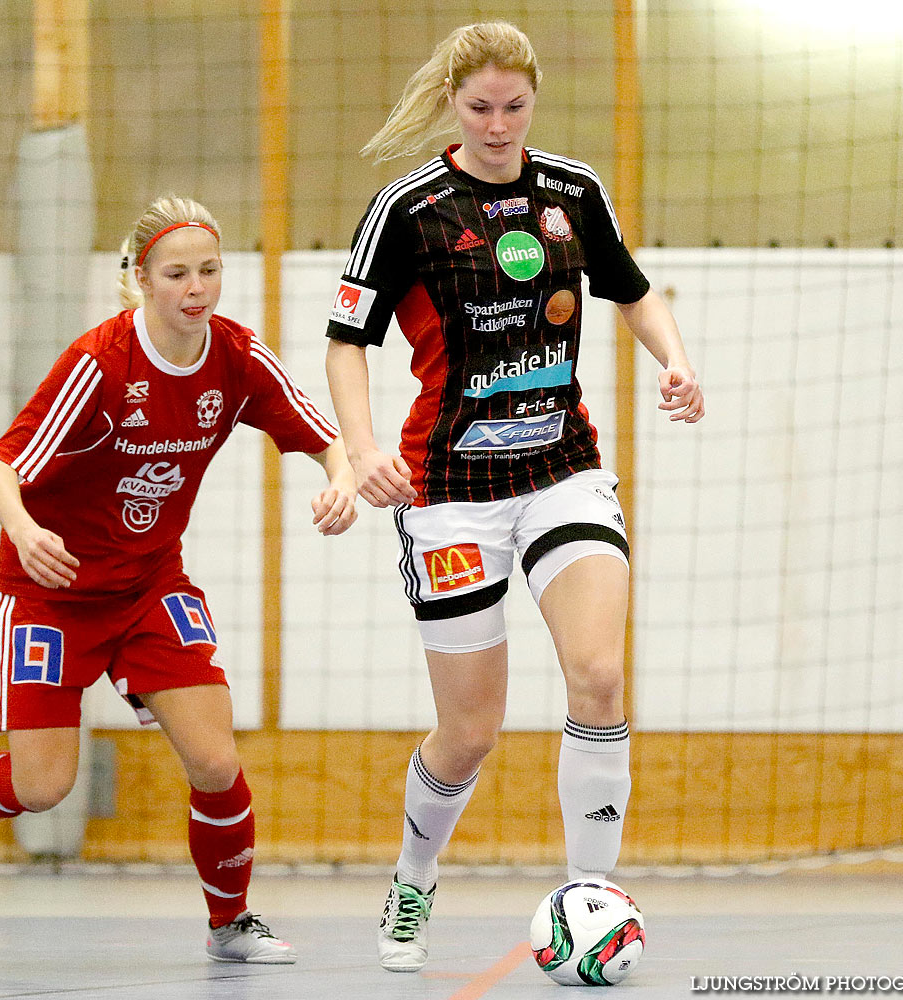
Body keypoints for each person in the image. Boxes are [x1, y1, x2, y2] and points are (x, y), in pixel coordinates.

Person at [324, 21, 704, 973]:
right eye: (479, 108)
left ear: (534, 99)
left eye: (514, 106)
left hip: (559, 471)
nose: (498, 125)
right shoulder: (409, 209)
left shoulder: (572, 192)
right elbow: (346, 342)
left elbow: (635, 290)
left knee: (599, 675)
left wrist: (677, 360)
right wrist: (362, 448)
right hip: (449, 492)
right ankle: (414, 874)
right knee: (469, 731)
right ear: (452, 103)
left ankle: (591, 893)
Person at [0, 194, 357, 965]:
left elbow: (325, 439)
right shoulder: (99, 365)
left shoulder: (236, 358)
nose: (196, 288)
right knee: (42, 786)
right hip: (49, 590)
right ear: (142, 280)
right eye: (177, 273)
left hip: (150, 585)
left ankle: (230, 923)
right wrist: (24, 531)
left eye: (209, 271)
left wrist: (342, 481)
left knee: (216, 760)